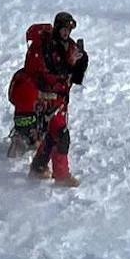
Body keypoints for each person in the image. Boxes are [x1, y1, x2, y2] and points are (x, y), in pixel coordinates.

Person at [27, 12, 87, 187]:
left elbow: (75, 74)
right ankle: (62, 176)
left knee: (53, 136)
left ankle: (38, 167)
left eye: (69, 30)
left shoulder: (68, 46)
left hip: (60, 99)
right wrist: (67, 65)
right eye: (64, 29)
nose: (66, 33)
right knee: (61, 135)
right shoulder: (47, 48)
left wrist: (81, 61)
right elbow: (47, 72)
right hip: (48, 99)